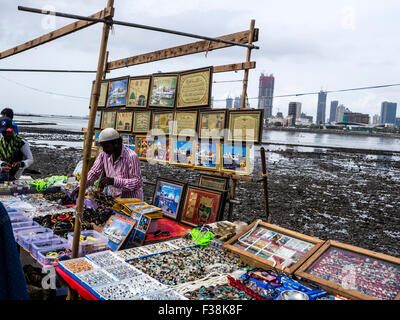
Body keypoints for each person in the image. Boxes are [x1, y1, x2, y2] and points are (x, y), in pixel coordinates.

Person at [71, 128, 143, 200]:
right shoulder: (104, 154)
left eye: (106, 147)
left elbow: (137, 182)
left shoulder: (131, 156)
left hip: (132, 200)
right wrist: (81, 186)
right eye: (103, 147)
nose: (104, 150)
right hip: (117, 200)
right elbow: (94, 172)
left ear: (115, 143)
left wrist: (114, 181)